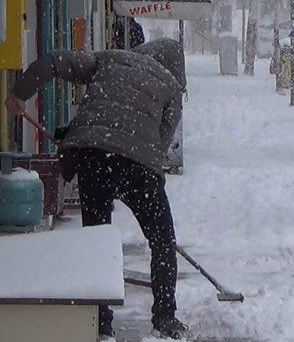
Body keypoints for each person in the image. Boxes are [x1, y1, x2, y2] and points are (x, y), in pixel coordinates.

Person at [6, 38, 188, 339]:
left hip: (94, 156)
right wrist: (145, 182)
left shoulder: (111, 59)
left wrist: (19, 92)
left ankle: (100, 322)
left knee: (97, 239)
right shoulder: (171, 87)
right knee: (163, 240)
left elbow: (55, 61)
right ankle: (165, 318)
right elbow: (161, 145)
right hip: (139, 164)